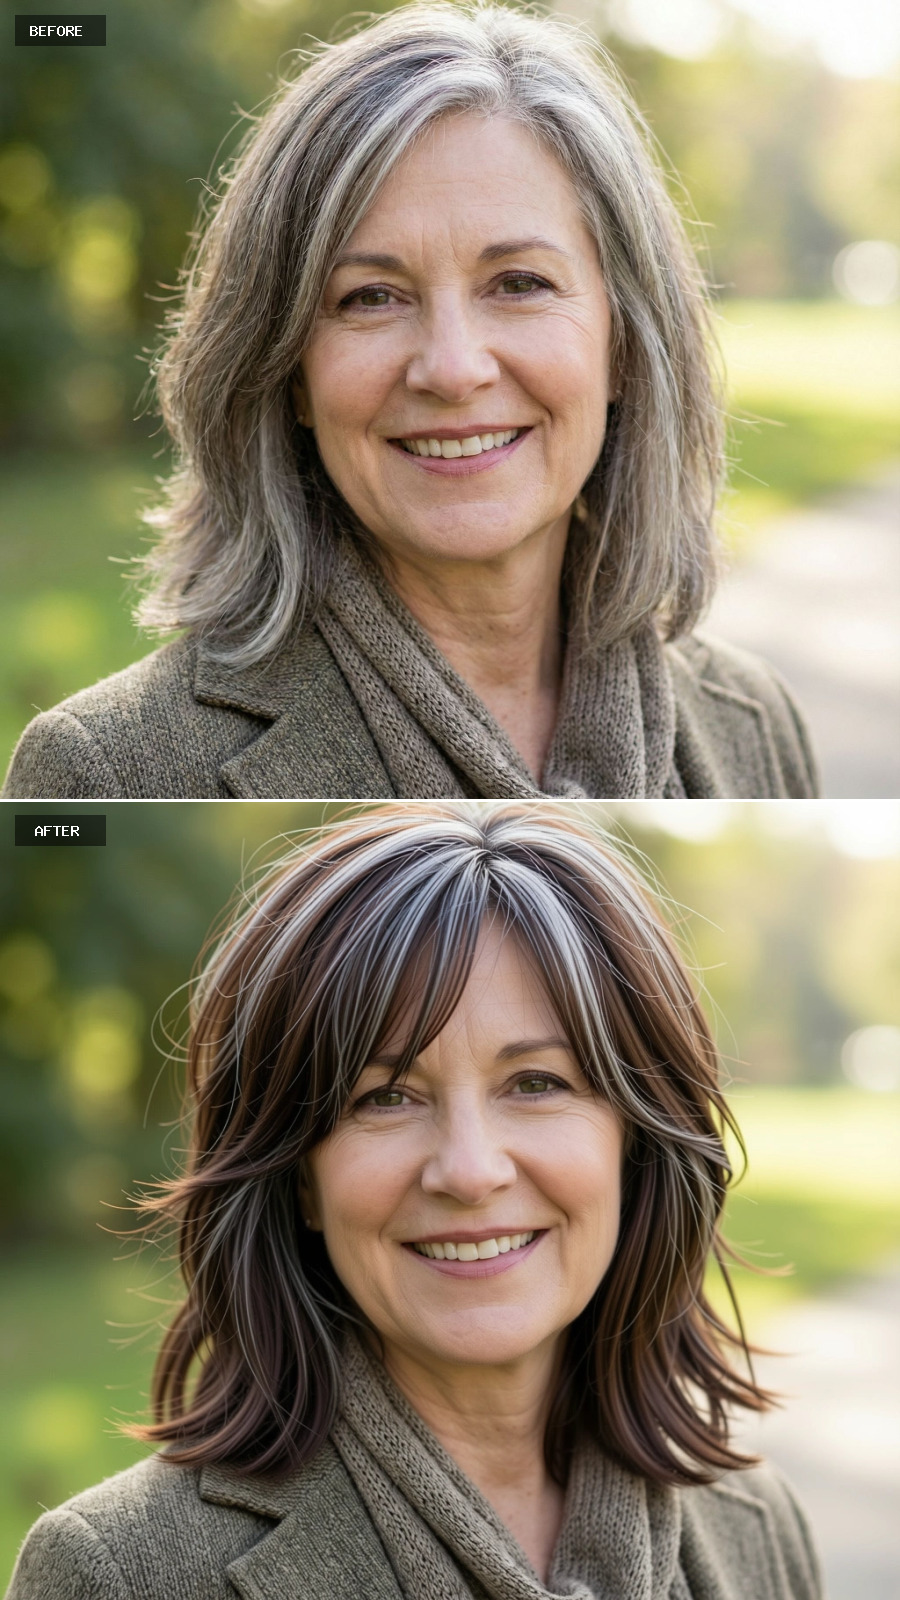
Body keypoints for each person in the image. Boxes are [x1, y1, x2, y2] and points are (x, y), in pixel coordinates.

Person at [3, 4, 817, 802]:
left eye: (520, 283)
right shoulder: (106, 771)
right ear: (288, 372)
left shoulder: (754, 722)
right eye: (371, 298)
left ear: (627, 346)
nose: (453, 368)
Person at [7, 804, 823, 1598]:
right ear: (298, 1175)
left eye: (536, 1084)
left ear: (636, 1144)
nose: (469, 1171)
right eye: (384, 1097)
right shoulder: (119, 1575)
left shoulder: (756, 1527)